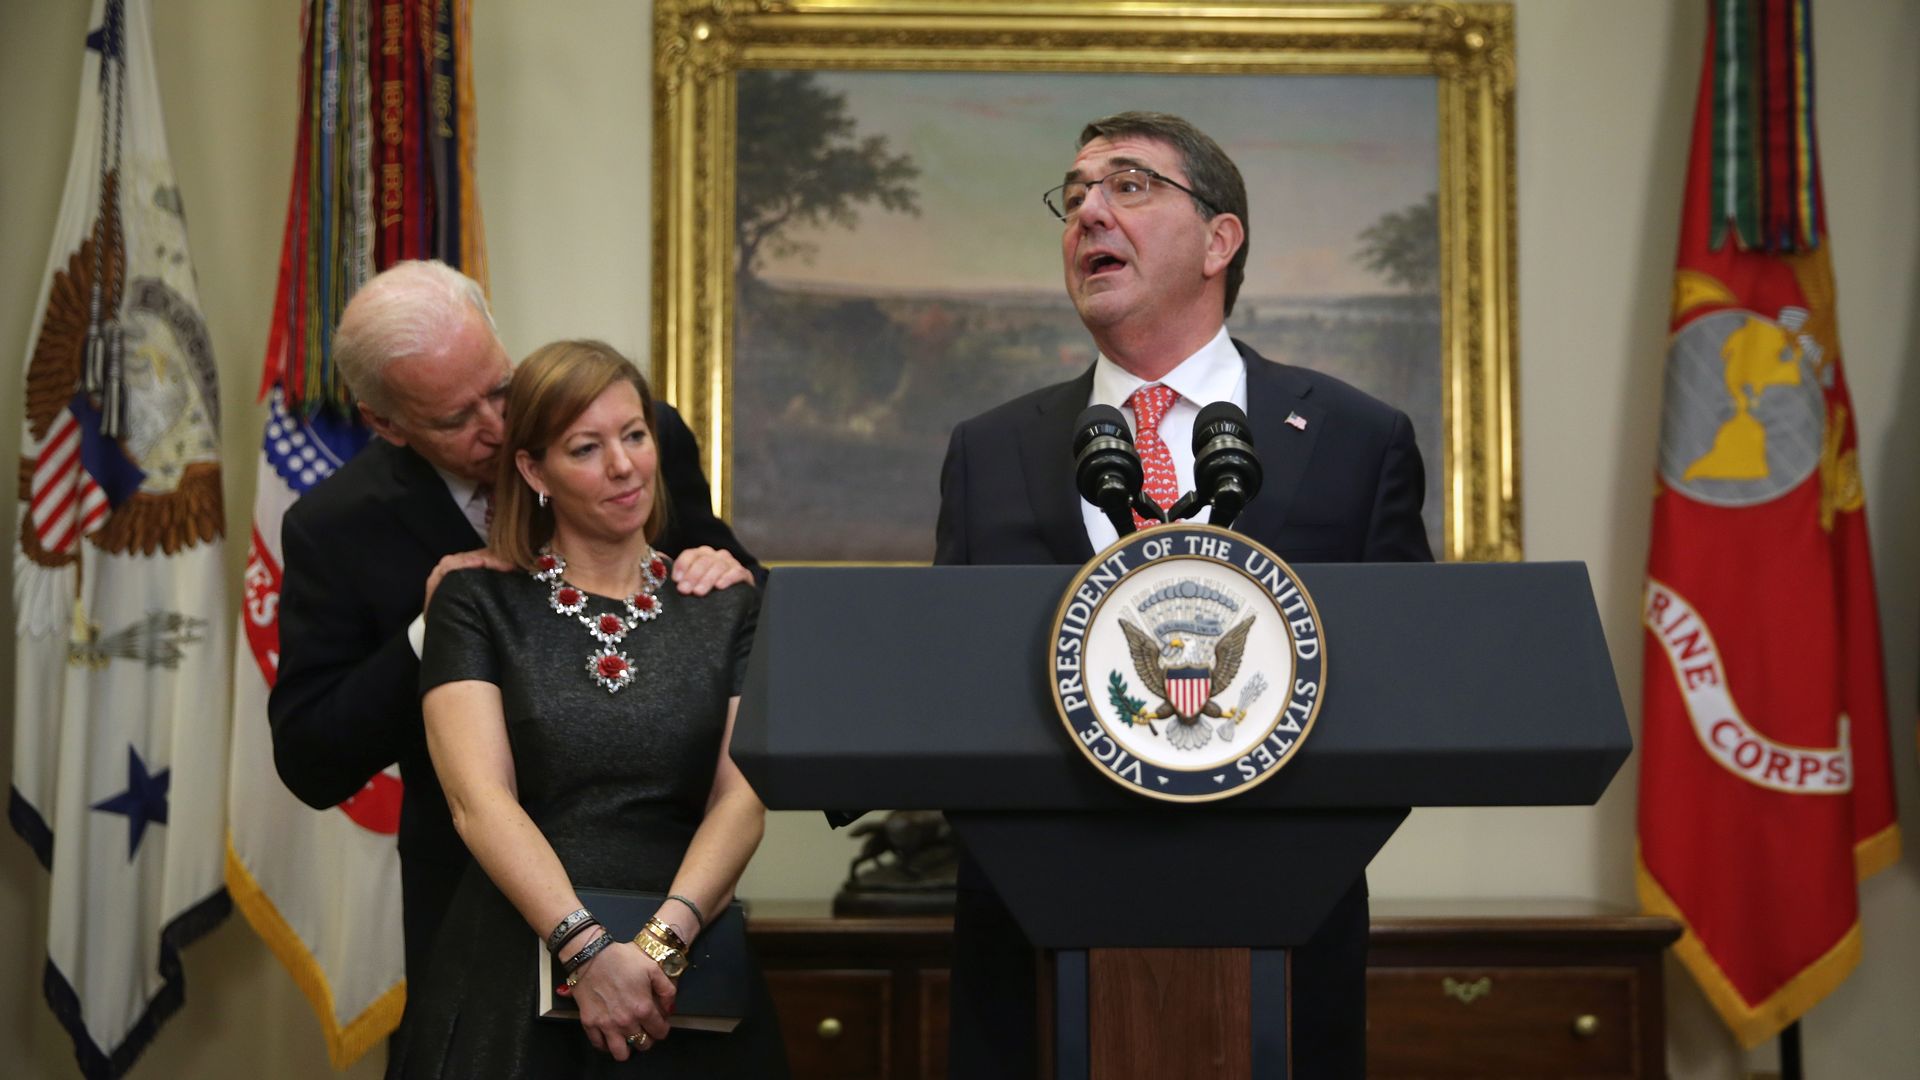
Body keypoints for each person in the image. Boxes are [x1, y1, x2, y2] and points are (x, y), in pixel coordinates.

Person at [934, 112, 1432, 1077]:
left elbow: (1404, 693)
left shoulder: (1357, 440)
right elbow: (950, 688)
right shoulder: (988, 451)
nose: (1087, 211)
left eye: (1128, 185)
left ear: (1220, 238)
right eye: (1073, 193)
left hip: (1280, 940)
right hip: (1033, 945)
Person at [268, 261, 758, 1057]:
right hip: (477, 908)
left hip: (669, 897)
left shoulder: (634, 439)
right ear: (388, 424)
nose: (498, 427)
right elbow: (311, 759)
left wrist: (725, 570)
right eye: (458, 416)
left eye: (500, 386)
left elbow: (734, 604)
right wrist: (430, 632)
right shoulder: (339, 527)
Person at [395, 339, 785, 1075]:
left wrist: (658, 946)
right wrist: (587, 952)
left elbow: (743, 798)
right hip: (513, 974)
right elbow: (478, 801)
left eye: (635, 436)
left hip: (687, 965)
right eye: (586, 447)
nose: (623, 466)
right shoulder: (474, 602)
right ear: (534, 470)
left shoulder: (727, 603)